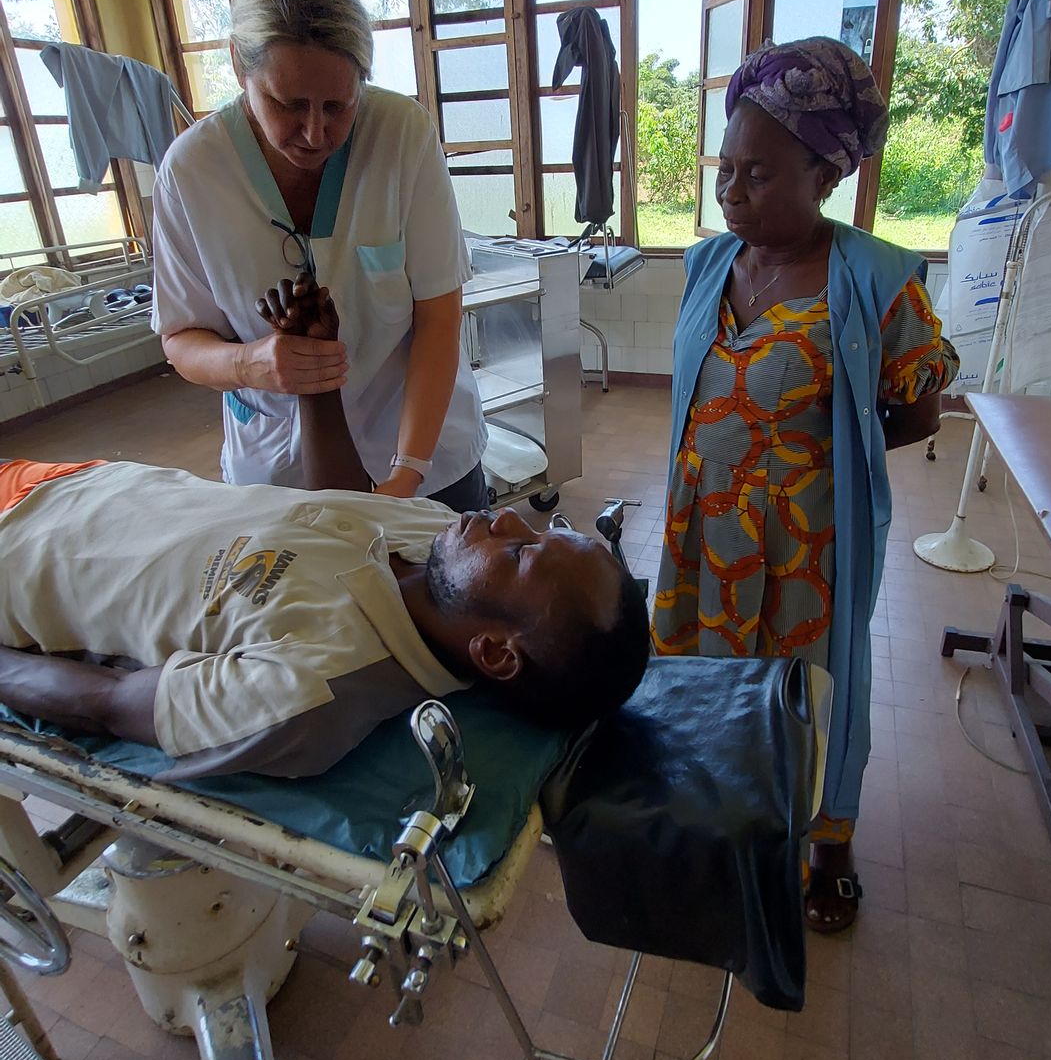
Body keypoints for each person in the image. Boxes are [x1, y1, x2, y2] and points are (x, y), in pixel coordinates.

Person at [0, 278, 649, 785]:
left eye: (520, 554)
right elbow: (341, 505)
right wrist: (317, 381)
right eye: (537, 533)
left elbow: (109, 702)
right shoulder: (438, 540)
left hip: (16, 553)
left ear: (495, 653)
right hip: (79, 481)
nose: (506, 519)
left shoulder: (310, 688)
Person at [655, 37, 959, 933]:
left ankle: (828, 842)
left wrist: (810, 466)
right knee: (706, 675)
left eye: (757, 174)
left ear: (825, 174)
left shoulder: (875, 282)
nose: (731, 191)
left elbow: (917, 412)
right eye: (724, 169)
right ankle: (723, 819)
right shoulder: (707, 265)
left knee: (811, 690)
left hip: (805, 546)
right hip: (700, 529)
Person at [151, 0, 488, 509]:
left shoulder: (400, 136)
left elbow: (438, 314)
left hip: (424, 459)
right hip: (274, 473)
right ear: (238, 64)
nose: (314, 132)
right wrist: (250, 363)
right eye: (287, 103)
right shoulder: (191, 172)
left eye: (338, 106)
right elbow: (181, 339)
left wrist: (406, 476)